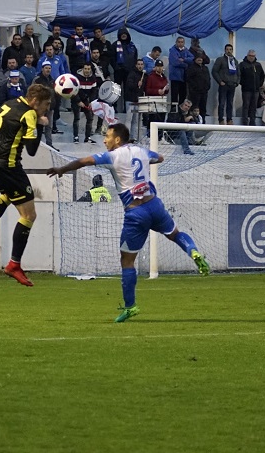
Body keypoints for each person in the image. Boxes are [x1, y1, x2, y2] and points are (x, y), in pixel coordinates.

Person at [47, 123, 211, 322]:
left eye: (107, 136)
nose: (105, 140)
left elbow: (83, 161)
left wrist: (62, 169)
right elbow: (160, 157)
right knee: (175, 234)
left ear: (117, 139)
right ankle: (192, 250)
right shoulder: (141, 151)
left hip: (136, 213)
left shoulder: (112, 156)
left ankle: (130, 306)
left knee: (127, 261)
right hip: (155, 206)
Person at [0, 84, 53, 287]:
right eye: (46, 105)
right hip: (7, 166)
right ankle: (14, 264)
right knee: (29, 215)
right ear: (35, 101)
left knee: (8, 195)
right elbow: (33, 150)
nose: (47, 109)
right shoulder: (29, 114)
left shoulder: (9, 104)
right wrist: (42, 124)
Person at [211, 44, 240, 124]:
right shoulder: (220, 60)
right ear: (225, 50)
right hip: (224, 84)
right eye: (227, 49)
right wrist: (220, 81)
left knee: (230, 103)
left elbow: (238, 73)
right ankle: (221, 120)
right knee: (222, 103)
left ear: (232, 50)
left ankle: (229, 119)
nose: (229, 51)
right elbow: (214, 71)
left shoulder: (235, 61)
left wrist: (237, 82)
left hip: (232, 85)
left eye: (230, 49)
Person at [168, 37, 194, 108]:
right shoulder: (172, 51)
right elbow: (175, 62)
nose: (180, 43)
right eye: (179, 42)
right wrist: (186, 64)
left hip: (183, 77)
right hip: (175, 77)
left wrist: (184, 59)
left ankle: (181, 112)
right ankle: (173, 112)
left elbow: (192, 58)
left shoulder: (185, 50)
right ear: (176, 42)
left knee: (183, 96)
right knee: (174, 97)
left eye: (182, 42)